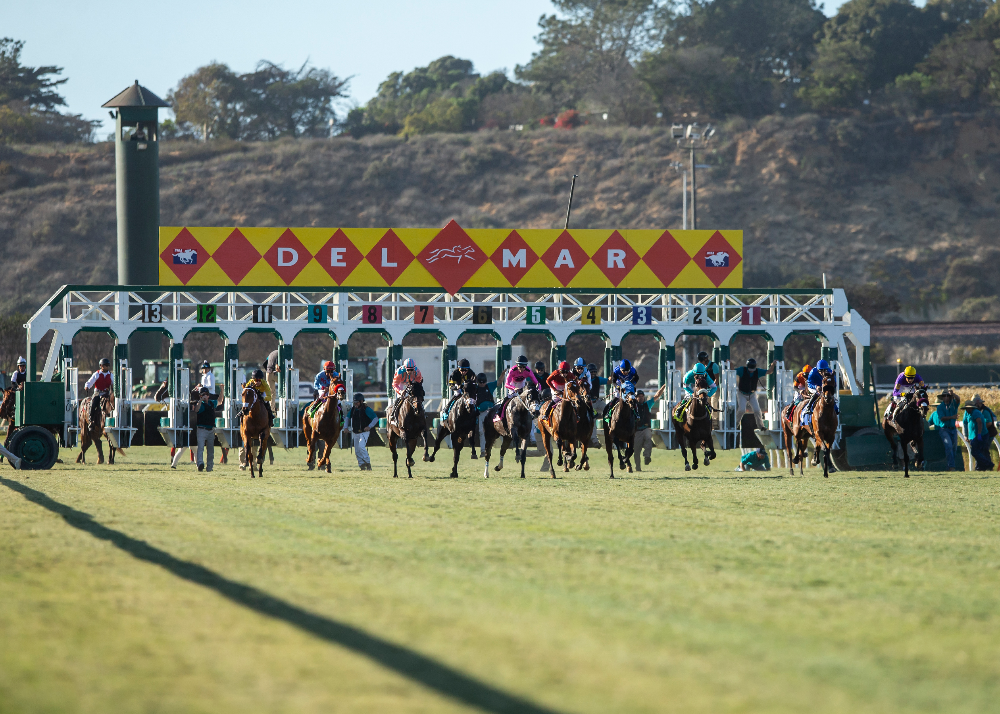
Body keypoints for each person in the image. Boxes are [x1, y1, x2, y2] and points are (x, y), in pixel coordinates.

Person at [734, 358, 777, 430]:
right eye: (750, 369)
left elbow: (769, 371)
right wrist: (731, 364)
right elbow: (732, 371)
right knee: (742, 410)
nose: (751, 371)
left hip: (752, 394)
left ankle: (761, 426)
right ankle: (735, 425)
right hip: (742, 394)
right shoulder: (742, 370)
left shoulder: (758, 371)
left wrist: (772, 365)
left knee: (757, 410)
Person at [633, 384, 668, 470]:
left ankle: (647, 457)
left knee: (648, 440)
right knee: (636, 450)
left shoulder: (648, 404)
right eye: (639, 396)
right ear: (636, 398)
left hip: (646, 428)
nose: (641, 398)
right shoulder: (633, 406)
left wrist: (664, 386)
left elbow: (657, 395)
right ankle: (638, 467)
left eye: (642, 396)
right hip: (637, 431)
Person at [347, 393, 379, 470]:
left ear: (361, 401)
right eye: (355, 402)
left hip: (364, 432)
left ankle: (368, 463)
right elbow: (347, 418)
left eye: (357, 402)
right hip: (355, 432)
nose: (355, 404)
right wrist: (345, 427)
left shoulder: (367, 409)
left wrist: (369, 426)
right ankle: (361, 465)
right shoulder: (353, 409)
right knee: (357, 450)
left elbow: (375, 418)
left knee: (361, 446)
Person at [929, 390, 959, 470]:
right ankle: (952, 466)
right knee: (948, 446)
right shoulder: (940, 407)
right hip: (944, 429)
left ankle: (950, 466)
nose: (946, 397)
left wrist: (954, 394)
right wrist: (952, 417)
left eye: (948, 396)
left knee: (954, 448)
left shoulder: (953, 405)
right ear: (942, 398)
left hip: (953, 429)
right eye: (944, 396)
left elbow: (958, 399)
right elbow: (942, 418)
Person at [801, 359, 837, 425]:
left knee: (829, 395)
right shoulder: (813, 372)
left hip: (824, 386)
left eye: (825, 370)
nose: (823, 373)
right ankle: (808, 407)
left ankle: (835, 408)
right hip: (813, 386)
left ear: (827, 369)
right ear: (817, 369)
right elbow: (809, 383)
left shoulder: (830, 371)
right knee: (817, 394)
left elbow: (834, 382)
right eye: (821, 370)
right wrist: (816, 387)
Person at [963, 398, 994, 471]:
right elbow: (965, 423)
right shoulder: (967, 413)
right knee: (976, 452)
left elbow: (979, 423)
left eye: (969, 408)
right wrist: (966, 435)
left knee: (977, 452)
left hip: (981, 435)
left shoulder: (976, 412)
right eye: (966, 408)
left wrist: (979, 434)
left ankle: (987, 465)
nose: (967, 410)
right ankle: (984, 466)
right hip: (973, 436)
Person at [389, 358, 423, 424]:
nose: (410, 371)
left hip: (412, 383)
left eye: (411, 369)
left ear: (414, 368)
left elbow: (418, 383)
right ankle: (393, 414)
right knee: (400, 397)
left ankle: (423, 412)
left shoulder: (417, 372)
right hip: (401, 382)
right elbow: (394, 384)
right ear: (405, 368)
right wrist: (400, 391)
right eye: (408, 370)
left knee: (417, 396)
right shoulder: (399, 372)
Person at [474, 373, 498, 457]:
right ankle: (483, 451)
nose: (482, 384)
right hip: (481, 413)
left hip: (492, 411)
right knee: (482, 431)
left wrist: (503, 374)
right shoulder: (475, 388)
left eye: (483, 382)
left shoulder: (490, 386)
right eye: (480, 382)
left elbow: (499, 382)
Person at [194, 386, 217, 472]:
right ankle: (200, 464)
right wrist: (200, 401)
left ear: (208, 395)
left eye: (206, 394)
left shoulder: (212, 403)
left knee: (210, 451)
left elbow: (220, 401)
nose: (205, 396)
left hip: (211, 430)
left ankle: (209, 467)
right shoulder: (201, 405)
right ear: (200, 396)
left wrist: (222, 390)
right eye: (202, 395)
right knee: (200, 448)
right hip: (201, 429)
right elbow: (196, 410)